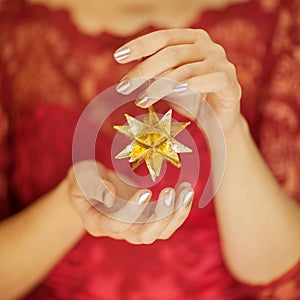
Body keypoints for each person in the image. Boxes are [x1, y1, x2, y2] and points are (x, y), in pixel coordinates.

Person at [0, 0, 299, 299]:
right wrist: (72, 201)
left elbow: (279, 269)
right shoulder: (11, 23)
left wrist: (230, 132)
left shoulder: (280, 19)